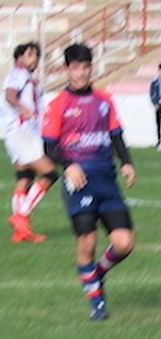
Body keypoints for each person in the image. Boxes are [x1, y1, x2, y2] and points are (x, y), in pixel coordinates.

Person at [41, 44, 137, 320]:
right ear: (66, 69)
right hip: (79, 183)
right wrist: (69, 165)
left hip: (106, 180)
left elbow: (116, 135)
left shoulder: (104, 100)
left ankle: (97, 273)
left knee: (124, 243)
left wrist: (127, 162)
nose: (82, 73)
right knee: (87, 239)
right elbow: (49, 146)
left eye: (86, 67)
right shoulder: (58, 105)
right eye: (76, 68)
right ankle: (97, 304)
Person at [4, 42, 56, 243]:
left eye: (36, 55)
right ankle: (21, 215)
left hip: (18, 133)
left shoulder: (29, 79)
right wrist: (21, 107)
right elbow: (10, 94)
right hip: (21, 131)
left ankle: (21, 231)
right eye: (29, 54)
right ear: (18, 58)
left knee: (25, 176)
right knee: (50, 173)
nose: (34, 59)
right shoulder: (19, 74)